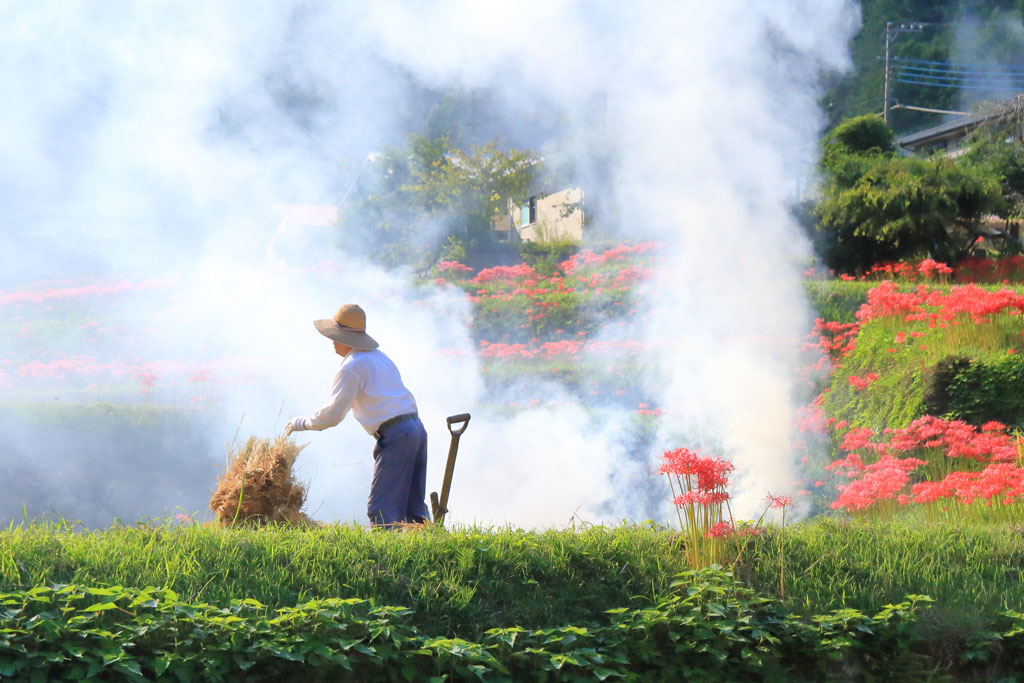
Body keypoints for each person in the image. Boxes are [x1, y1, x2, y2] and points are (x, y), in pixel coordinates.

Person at [285, 304, 429, 527]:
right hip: (416, 429)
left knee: (381, 509)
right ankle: (428, 551)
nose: (332, 342)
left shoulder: (351, 368)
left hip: (397, 435)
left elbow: (332, 415)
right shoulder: (380, 358)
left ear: (346, 338)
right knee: (414, 508)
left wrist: (301, 423)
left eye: (335, 337)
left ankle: (387, 560)